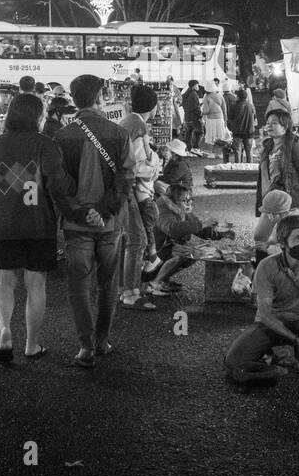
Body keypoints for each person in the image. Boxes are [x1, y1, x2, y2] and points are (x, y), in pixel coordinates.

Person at [0, 92, 77, 364]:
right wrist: (73, 213)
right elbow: (57, 185)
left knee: (4, 282)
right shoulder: (45, 144)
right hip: (38, 224)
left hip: (5, 222)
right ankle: (32, 345)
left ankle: (5, 330)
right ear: (37, 116)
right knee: (36, 285)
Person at [53, 73, 133, 368]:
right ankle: (102, 340)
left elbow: (57, 184)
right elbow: (126, 179)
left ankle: (85, 346)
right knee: (107, 283)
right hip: (110, 224)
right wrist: (104, 210)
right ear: (100, 97)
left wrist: (78, 211)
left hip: (76, 225)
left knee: (78, 285)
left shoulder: (61, 137)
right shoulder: (119, 133)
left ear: (74, 100)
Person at [225, 215, 299, 375]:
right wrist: (295, 340)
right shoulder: (267, 266)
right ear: (282, 243)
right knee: (233, 360)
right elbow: (265, 314)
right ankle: (278, 356)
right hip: (273, 323)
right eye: (298, 238)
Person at [119, 85, 163, 311]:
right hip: (129, 187)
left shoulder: (128, 121)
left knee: (134, 239)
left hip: (127, 187)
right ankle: (129, 293)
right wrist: (154, 169)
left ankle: (130, 289)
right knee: (137, 240)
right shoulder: (138, 124)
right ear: (153, 106)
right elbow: (135, 164)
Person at [147, 183, 221, 294]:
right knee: (185, 252)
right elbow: (172, 229)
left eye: (190, 199)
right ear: (173, 200)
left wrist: (218, 234)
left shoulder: (180, 207)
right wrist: (203, 224)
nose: (189, 202)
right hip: (155, 251)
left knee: (193, 253)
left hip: (167, 247)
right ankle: (154, 283)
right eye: (185, 200)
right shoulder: (162, 209)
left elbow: (195, 225)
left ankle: (163, 280)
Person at [257, 108, 299, 211]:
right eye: (267, 123)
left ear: (285, 127)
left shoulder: (296, 148)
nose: (269, 126)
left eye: (274, 123)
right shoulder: (267, 148)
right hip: (270, 201)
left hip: (290, 204)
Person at [227, 88, 256, 164]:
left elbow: (230, 118)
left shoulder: (234, 106)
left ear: (238, 97)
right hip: (250, 132)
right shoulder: (251, 106)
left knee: (237, 151)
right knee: (249, 152)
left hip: (237, 132)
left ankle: (238, 169)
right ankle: (250, 169)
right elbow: (254, 118)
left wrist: (231, 127)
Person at [201, 85, 227, 151]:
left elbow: (206, 111)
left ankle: (211, 152)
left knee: (211, 135)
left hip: (211, 119)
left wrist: (202, 112)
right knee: (220, 135)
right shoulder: (220, 96)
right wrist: (225, 119)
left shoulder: (206, 97)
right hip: (220, 118)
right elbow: (224, 109)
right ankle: (220, 152)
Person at [181, 79, 203, 152]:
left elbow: (184, 105)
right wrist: (200, 115)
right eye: (197, 85)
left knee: (189, 133)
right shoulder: (194, 94)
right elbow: (196, 107)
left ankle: (189, 148)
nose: (198, 87)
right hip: (194, 117)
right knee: (200, 132)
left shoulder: (185, 94)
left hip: (187, 117)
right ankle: (196, 148)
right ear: (193, 86)